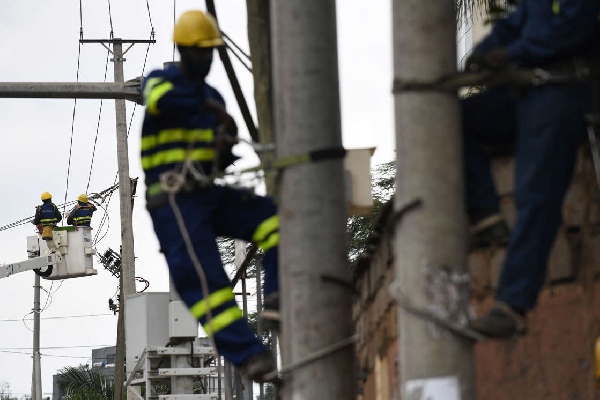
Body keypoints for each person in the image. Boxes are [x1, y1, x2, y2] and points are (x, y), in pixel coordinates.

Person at [141, 10, 279, 381]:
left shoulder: (213, 95)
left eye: (210, 52)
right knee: (204, 277)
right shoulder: (162, 82)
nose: (206, 59)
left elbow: (216, 159)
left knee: (274, 218)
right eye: (200, 52)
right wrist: (209, 111)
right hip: (172, 202)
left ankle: (278, 300)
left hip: (206, 194)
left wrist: (225, 141)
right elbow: (158, 102)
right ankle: (249, 355)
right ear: (184, 50)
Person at [465, 0, 600, 338]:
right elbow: (514, 24)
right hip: (528, 93)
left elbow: (569, 29)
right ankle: (487, 218)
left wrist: (510, 53)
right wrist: (484, 51)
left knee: (535, 193)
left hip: (565, 90)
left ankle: (512, 304)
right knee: (454, 118)